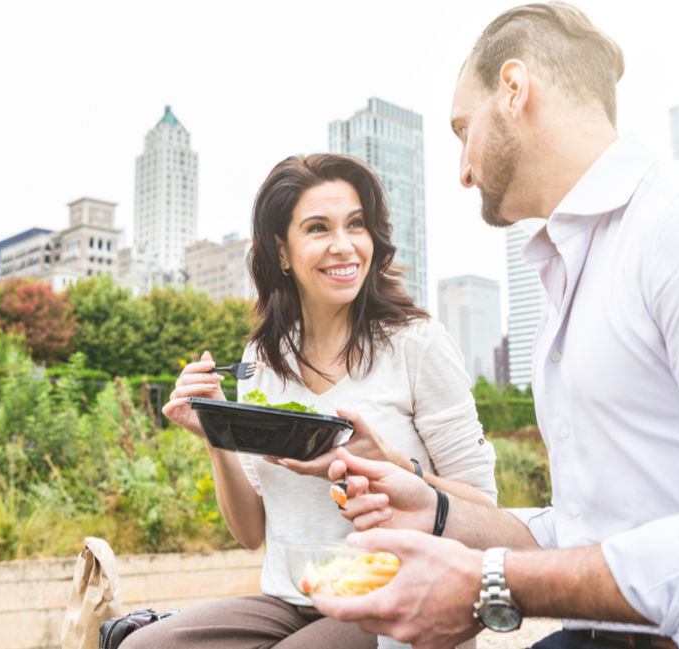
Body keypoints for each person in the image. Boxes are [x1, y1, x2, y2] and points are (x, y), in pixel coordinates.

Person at [314, 4, 679, 649]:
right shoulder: (568, 275)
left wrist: (493, 582)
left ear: (514, 89)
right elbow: (588, 535)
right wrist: (434, 507)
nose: (464, 170)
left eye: (462, 130)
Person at [122, 153, 498, 649]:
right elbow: (251, 531)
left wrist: (393, 467)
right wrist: (218, 431)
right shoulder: (262, 358)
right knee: (143, 647)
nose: (344, 247)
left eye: (356, 225)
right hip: (290, 598)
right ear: (282, 251)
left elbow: (486, 513)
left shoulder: (416, 343)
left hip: (398, 594)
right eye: (318, 228)